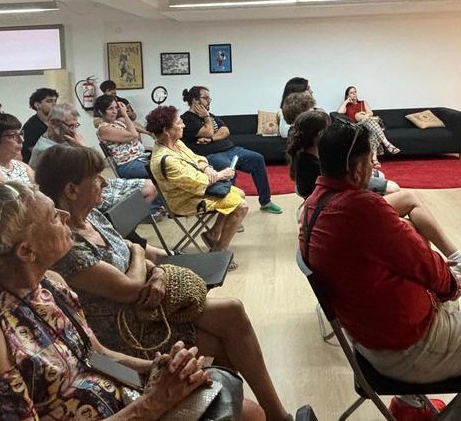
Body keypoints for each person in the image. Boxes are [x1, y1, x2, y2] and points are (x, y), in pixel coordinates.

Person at [0, 180, 264, 420]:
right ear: (26, 251)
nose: (64, 215)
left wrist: (159, 369)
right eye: (52, 216)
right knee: (245, 414)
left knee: (245, 409)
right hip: (130, 409)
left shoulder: (49, 285)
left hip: (120, 403)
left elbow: (95, 354)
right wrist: (154, 403)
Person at [299, 121, 461, 420]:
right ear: (358, 168)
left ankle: (411, 403)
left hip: (368, 341)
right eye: (371, 160)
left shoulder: (312, 206)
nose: (375, 166)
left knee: (454, 300)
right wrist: (452, 284)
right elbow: (426, 265)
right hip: (409, 349)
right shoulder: (363, 208)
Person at [36, 144, 292, 421]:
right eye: (96, 178)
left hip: (148, 309)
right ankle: (236, 409)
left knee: (232, 310)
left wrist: (156, 271)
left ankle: (268, 414)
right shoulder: (67, 247)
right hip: (126, 329)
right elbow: (129, 288)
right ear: (71, 190)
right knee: (223, 339)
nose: (105, 182)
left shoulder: (94, 218)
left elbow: (134, 259)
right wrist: (138, 252)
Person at [288, 110, 461, 283]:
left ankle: (450, 265)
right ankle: (452, 264)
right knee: (408, 207)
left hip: (339, 213)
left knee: (410, 216)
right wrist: (449, 284)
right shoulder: (319, 169)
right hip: (344, 212)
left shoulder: (314, 164)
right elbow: (347, 190)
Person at [148, 106, 248, 255]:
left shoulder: (176, 143)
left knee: (240, 194)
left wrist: (207, 168)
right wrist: (221, 174)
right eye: (179, 122)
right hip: (184, 200)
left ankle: (213, 233)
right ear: (166, 130)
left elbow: (197, 158)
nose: (183, 125)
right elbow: (199, 182)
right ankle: (219, 250)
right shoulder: (165, 159)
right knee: (241, 206)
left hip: (193, 191)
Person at [32, 102, 157, 208]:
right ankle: (121, 222)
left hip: (93, 183)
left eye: (76, 125)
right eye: (71, 126)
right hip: (82, 194)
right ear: (53, 123)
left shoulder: (66, 138)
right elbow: (96, 167)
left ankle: (127, 222)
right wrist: (83, 148)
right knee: (146, 191)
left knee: (151, 185)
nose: (74, 131)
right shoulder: (48, 150)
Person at [181, 86, 280, 214]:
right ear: (195, 100)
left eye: (209, 98)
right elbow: (208, 131)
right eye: (206, 98)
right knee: (227, 168)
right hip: (210, 155)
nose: (209, 101)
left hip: (231, 149)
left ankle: (266, 202)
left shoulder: (210, 115)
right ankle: (232, 210)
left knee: (257, 159)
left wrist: (211, 139)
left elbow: (225, 131)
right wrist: (206, 118)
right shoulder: (187, 119)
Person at [95, 94, 153, 178]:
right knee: (161, 169)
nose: (115, 111)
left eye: (116, 107)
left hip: (140, 158)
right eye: (110, 108)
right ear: (101, 112)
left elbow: (134, 128)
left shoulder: (118, 122)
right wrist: (125, 114)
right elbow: (134, 135)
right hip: (128, 165)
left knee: (167, 162)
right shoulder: (104, 129)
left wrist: (149, 133)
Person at [337, 85, 401, 156]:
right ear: (347, 96)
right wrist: (346, 101)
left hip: (368, 125)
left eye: (355, 92)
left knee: (373, 131)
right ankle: (387, 145)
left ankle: (375, 157)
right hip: (358, 126)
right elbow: (339, 112)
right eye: (351, 93)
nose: (354, 94)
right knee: (373, 126)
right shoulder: (347, 106)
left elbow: (371, 113)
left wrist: (366, 115)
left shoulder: (362, 102)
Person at [21, 87, 58, 163]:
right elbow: (38, 154)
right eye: (49, 101)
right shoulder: (30, 127)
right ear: (37, 105)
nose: (54, 104)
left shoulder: (58, 123)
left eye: (55, 101)